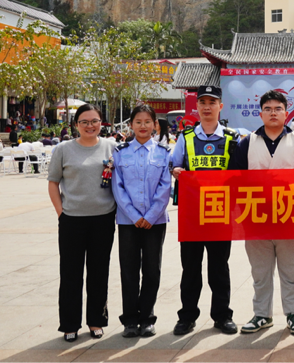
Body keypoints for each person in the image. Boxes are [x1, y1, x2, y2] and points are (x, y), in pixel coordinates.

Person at [230, 90, 294, 336]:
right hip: (255, 218)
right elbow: (234, 178)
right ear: (260, 114)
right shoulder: (247, 143)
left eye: (278, 109)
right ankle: (262, 315)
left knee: (290, 271)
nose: (273, 113)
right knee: (260, 271)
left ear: (286, 113)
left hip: (289, 217)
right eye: (267, 109)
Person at [170, 85, 239, 336]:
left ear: (221, 106)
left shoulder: (232, 138)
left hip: (220, 213)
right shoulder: (186, 137)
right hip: (192, 214)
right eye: (202, 102)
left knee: (219, 268)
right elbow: (174, 165)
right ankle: (187, 316)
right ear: (196, 106)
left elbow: (240, 172)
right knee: (190, 268)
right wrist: (176, 171)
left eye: (212, 102)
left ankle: (222, 316)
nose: (207, 107)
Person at [47, 104, 118, 342]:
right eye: (84, 122)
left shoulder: (111, 147)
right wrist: (61, 213)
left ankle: (96, 321)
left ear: (101, 123)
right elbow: (53, 183)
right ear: (76, 124)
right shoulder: (63, 149)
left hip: (103, 219)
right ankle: (69, 324)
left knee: (99, 272)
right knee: (71, 273)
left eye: (94, 121)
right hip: (72, 220)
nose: (90, 126)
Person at [112, 105, 172, 338]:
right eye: (138, 122)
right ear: (131, 125)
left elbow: (165, 188)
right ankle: (129, 320)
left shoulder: (164, 153)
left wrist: (150, 216)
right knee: (129, 271)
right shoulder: (120, 152)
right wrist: (135, 216)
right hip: (128, 222)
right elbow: (118, 187)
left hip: (155, 222)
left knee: (151, 270)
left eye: (148, 121)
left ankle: (147, 318)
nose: (143, 126)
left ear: (155, 124)